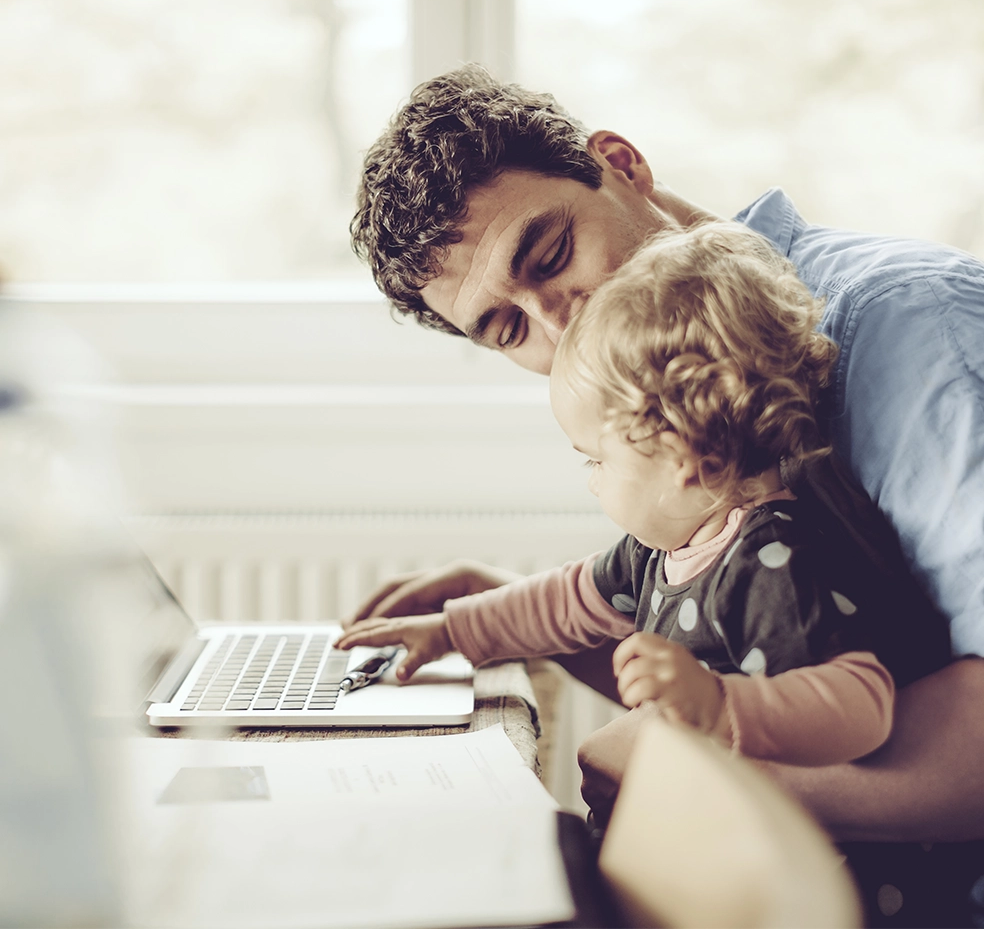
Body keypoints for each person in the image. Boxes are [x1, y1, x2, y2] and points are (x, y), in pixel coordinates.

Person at [348, 65, 984, 924]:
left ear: (622, 164)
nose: (561, 325)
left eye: (552, 254)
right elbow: (762, 663)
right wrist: (505, 618)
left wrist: (691, 776)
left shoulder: (914, 329)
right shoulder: (675, 395)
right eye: (509, 328)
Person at [339, 222, 952, 772]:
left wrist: (719, 704)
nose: (592, 479)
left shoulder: (775, 563)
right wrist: (451, 631)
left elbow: (863, 704)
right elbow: (566, 601)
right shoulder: (662, 548)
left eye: (597, 459)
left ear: (689, 462)